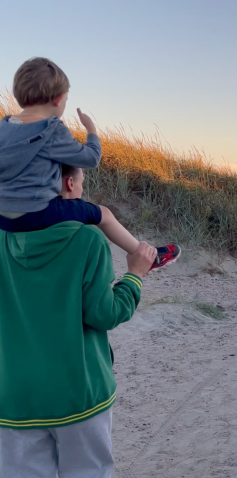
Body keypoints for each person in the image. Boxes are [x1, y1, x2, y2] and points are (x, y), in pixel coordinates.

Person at [0, 166, 157, 475]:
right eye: (83, 182)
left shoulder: (3, 239)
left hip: (14, 397)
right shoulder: (87, 240)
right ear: (70, 183)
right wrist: (135, 276)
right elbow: (105, 314)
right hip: (80, 394)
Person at [0, 57, 180, 269]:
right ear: (58, 100)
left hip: (3, 216)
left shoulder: (4, 127)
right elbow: (91, 158)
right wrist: (91, 131)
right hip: (36, 214)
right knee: (103, 214)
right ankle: (148, 257)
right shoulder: (51, 130)